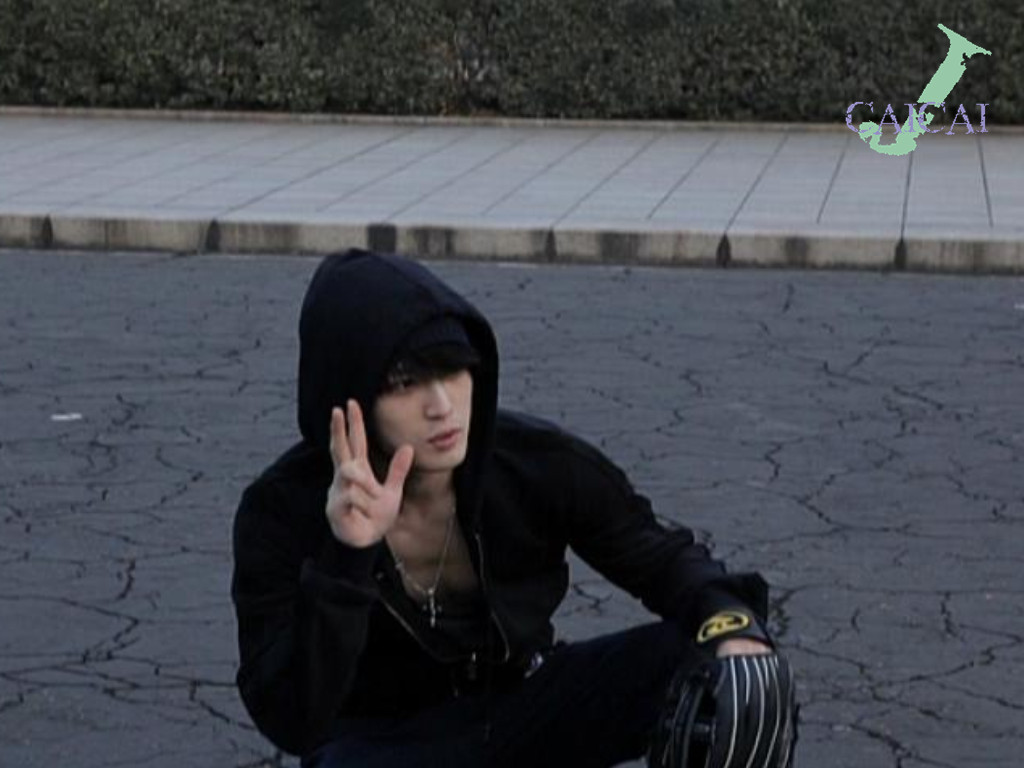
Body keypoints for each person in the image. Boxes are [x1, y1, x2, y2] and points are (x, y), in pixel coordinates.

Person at [231, 248, 796, 768]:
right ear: (347, 396)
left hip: (521, 704)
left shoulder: (533, 463)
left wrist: (735, 627)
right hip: (385, 743)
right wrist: (347, 558)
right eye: (404, 384)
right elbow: (293, 719)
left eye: (453, 369)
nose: (441, 405)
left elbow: (662, 558)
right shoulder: (279, 510)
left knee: (730, 670)